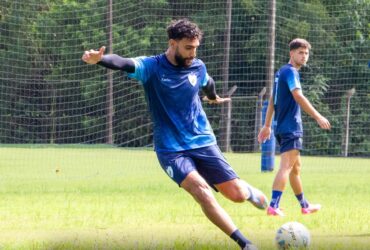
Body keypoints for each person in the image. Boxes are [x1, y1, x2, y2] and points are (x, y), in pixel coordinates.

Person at [82, 19, 267, 250]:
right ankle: (245, 244)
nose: (193, 53)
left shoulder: (197, 66)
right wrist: (101, 60)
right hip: (171, 149)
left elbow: (208, 82)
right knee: (202, 191)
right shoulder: (152, 67)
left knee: (237, 195)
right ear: (172, 43)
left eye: (196, 48)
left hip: (202, 140)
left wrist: (211, 97)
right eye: (188, 48)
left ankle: (247, 190)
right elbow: (124, 63)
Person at [258, 38, 331, 217]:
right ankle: (273, 206)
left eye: (306, 53)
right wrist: (317, 116)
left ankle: (304, 205)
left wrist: (267, 125)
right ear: (291, 53)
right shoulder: (291, 72)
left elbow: (272, 101)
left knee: (295, 168)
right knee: (286, 167)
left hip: (281, 128)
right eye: (300, 52)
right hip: (291, 128)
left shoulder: (281, 72)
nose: (304, 56)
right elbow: (298, 96)